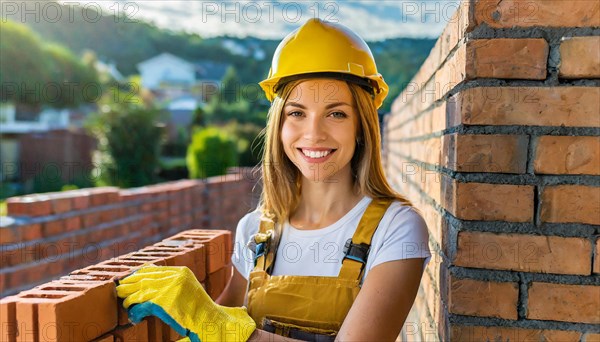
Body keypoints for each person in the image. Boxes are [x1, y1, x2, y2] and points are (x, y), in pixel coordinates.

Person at [116, 18, 430, 342]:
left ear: (361, 126)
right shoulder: (255, 231)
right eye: (297, 113)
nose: (314, 133)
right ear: (279, 125)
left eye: (336, 113)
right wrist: (200, 324)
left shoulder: (397, 229)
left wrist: (220, 326)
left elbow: (221, 328)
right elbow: (212, 332)